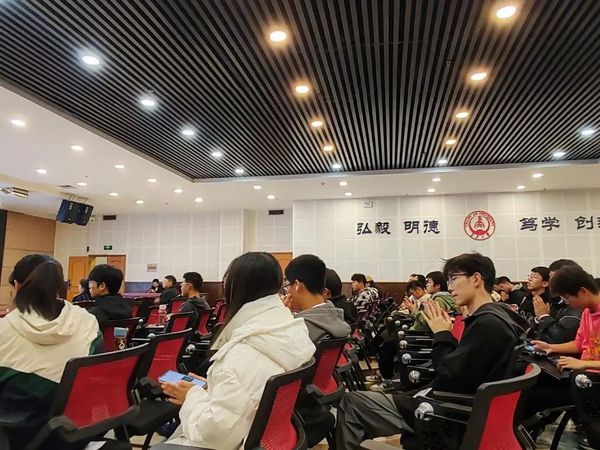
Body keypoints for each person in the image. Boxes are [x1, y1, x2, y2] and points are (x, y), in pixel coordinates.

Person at [335, 252, 529, 449]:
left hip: (444, 411)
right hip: (454, 404)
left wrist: (442, 334)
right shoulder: (498, 317)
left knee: (351, 404)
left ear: (476, 279)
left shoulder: (488, 324)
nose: (450, 287)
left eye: (454, 279)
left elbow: (449, 376)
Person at [162, 252, 315, 449]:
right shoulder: (289, 329)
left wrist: (192, 396)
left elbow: (213, 432)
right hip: (266, 436)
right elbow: (245, 392)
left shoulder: (242, 353)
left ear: (234, 288)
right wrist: (212, 387)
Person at [0, 255, 102, 449]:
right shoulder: (88, 323)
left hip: (17, 436)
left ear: (17, 285)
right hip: (75, 433)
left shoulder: (4, 329)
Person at [283, 255, 351, 447]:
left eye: (287, 285)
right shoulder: (335, 318)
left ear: (297, 285)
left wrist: (280, 320)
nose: (287, 291)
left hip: (291, 407)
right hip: (315, 402)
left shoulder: (301, 328)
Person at [533, 265, 600, 371]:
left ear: (583, 292)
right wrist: (550, 347)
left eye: (567, 298)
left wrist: (585, 364)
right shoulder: (587, 312)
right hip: (585, 373)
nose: (567, 303)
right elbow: (579, 343)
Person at [531, 259, 582, 343]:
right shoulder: (555, 301)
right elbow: (534, 336)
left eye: (554, 277)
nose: (550, 282)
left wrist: (543, 317)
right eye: (550, 277)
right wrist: (538, 318)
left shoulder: (577, 304)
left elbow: (559, 338)